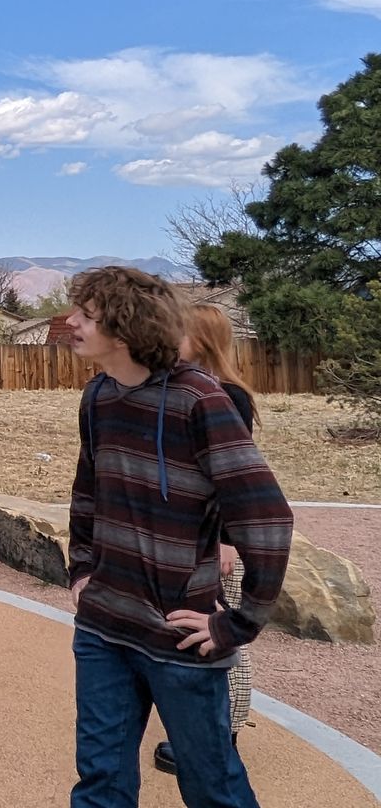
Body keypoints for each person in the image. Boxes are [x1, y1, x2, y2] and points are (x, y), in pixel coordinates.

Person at [64, 267, 292, 808]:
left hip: (179, 638)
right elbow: (87, 492)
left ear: (123, 331)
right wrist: (80, 570)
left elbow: (268, 520)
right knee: (99, 783)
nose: (69, 321)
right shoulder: (98, 395)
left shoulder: (202, 402)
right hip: (102, 629)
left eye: (86, 315)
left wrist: (237, 623)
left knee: (212, 787)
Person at [153, 303, 259, 776]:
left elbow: (237, 480)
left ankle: (224, 738)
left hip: (220, 541)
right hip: (193, 538)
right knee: (196, 634)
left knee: (224, 635)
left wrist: (229, 541)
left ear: (203, 339)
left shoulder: (229, 397)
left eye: (181, 331)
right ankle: (204, 732)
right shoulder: (192, 390)